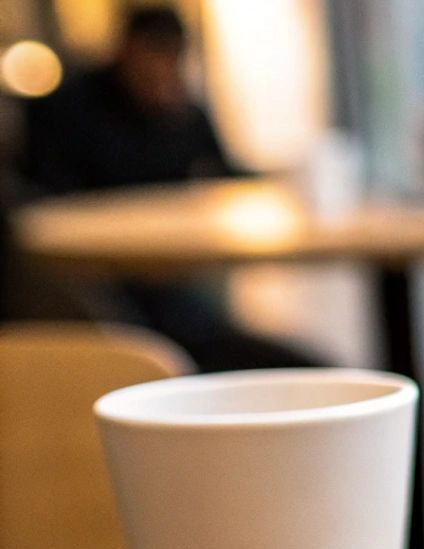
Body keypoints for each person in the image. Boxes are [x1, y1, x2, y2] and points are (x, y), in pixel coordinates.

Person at [14, 6, 317, 371]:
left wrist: (283, 181)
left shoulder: (181, 111)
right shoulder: (68, 109)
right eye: (153, 54)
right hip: (96, 295)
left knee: (301, 362)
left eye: (172, 57)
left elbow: (225, 172)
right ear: (125, 51)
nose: (162, 68)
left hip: (170, 291)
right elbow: (44, 200)